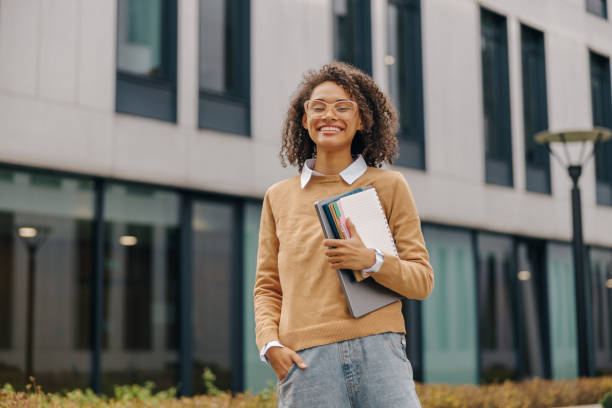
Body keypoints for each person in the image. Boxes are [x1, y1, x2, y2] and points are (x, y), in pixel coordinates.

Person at [254, 62, 434, 408]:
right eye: (318, 107)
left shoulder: (389, 186)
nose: (329, 115)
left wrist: (372, 261)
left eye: (343, 107)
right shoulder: (278, 196)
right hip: (306, 362)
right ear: (304, 120)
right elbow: (267, 286)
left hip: (380, 351)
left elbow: (422, 281)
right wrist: (269, 343)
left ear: (362, 119)